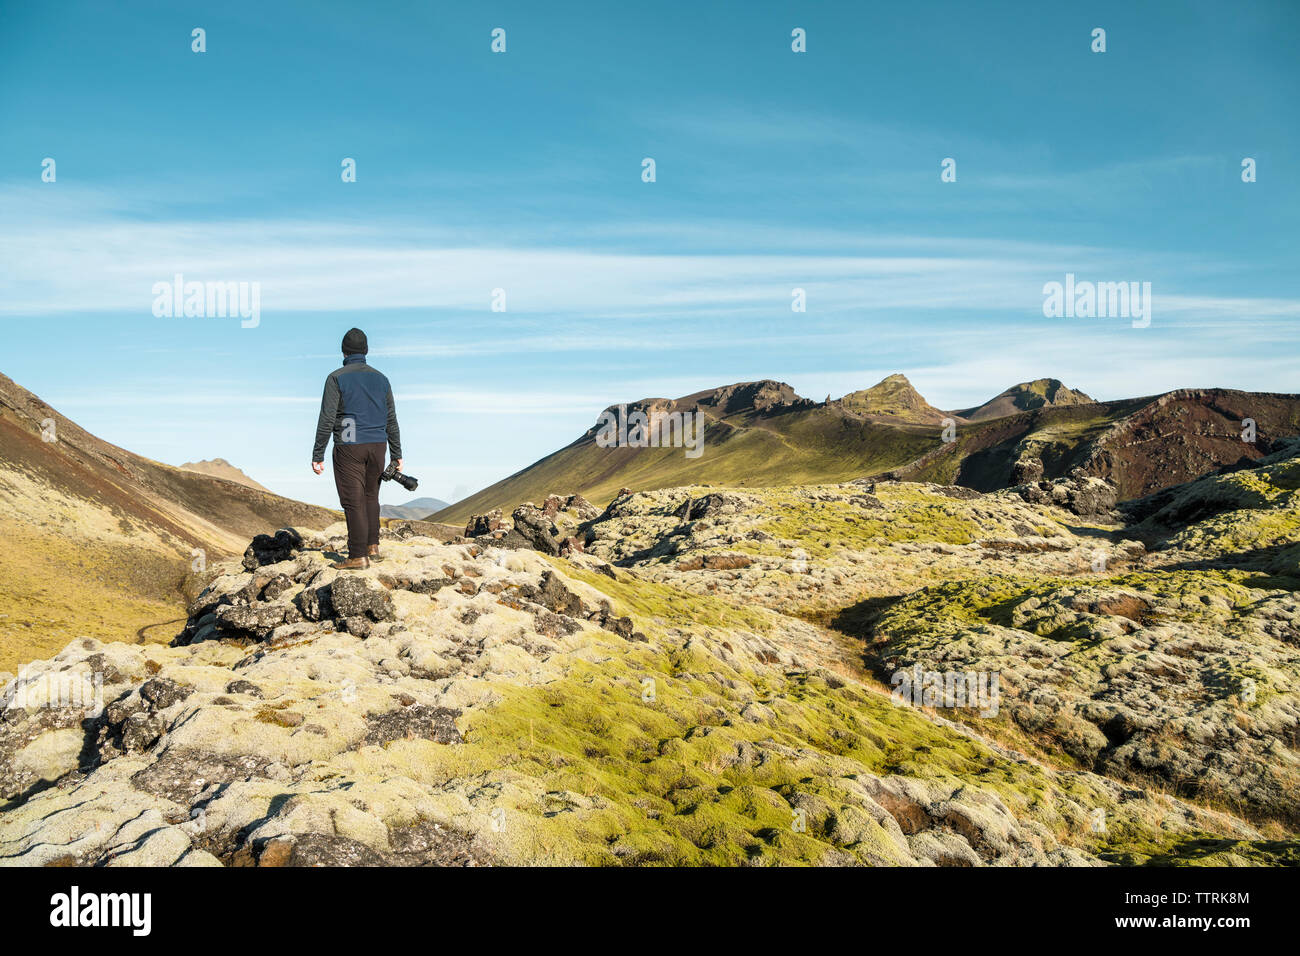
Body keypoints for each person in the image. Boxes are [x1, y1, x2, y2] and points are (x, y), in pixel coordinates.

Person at [311, 328, 402, 569]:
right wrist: (397, 454)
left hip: (349, 446)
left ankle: (357, 556)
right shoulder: (382, 379)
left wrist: (318, 454)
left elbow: (327, 417)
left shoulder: (336, 378)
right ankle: (373, 546)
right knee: (371, 495)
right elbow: (391, 419)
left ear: (344, 350)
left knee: (353, 501)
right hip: (378, 446)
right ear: (366, 351)